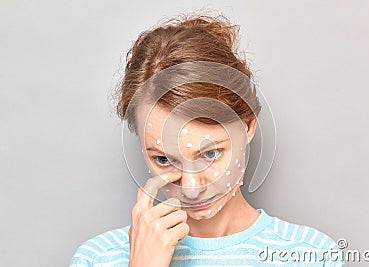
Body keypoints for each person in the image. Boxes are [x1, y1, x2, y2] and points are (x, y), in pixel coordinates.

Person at [69, 12, 345, 267]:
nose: (190, 189)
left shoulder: (310, 254)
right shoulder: (98, 258)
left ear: (248, 126)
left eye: (210, 154)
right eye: (163, 159)